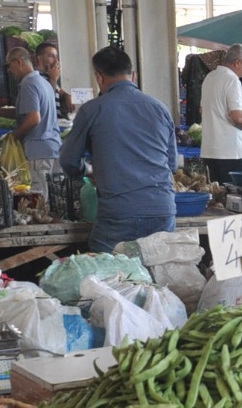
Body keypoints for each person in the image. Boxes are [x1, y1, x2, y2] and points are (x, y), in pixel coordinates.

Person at [58, 45, 178, 253]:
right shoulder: (160, 108)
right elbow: (172, 164)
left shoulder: (92, 110)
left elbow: (68, 161)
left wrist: (88, 170)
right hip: (162, 210)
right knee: (160, 276)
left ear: (99, 77)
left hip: (119, 212)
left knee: (109, 277)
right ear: (133, 75)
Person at [2, 47, 60, 199]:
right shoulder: (43, 82)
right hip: (52, 148)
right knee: (53, 200)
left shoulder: (29, 84)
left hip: (38, 151)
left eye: (9, 65)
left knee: (40, 201)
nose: (9, 70)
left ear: (19, 62)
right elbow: (24, 112)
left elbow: (34, 119)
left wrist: (14, 136)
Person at [200, 43, 242, 185]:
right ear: (237, 62)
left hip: (209, 151)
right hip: (230, 153)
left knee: (217, 199)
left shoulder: (210, 77)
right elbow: (238, 117)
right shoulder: (232, 80)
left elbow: (202, 110)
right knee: (234, 198)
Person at [35, 40, 75, 119]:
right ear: (40, 58)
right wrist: (53, 79)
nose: (56, 61)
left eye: (56, 56)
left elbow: (59, 91)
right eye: (51, 56)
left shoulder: (48, 75)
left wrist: (67, 96)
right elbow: (46, 98)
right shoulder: (36, 77)